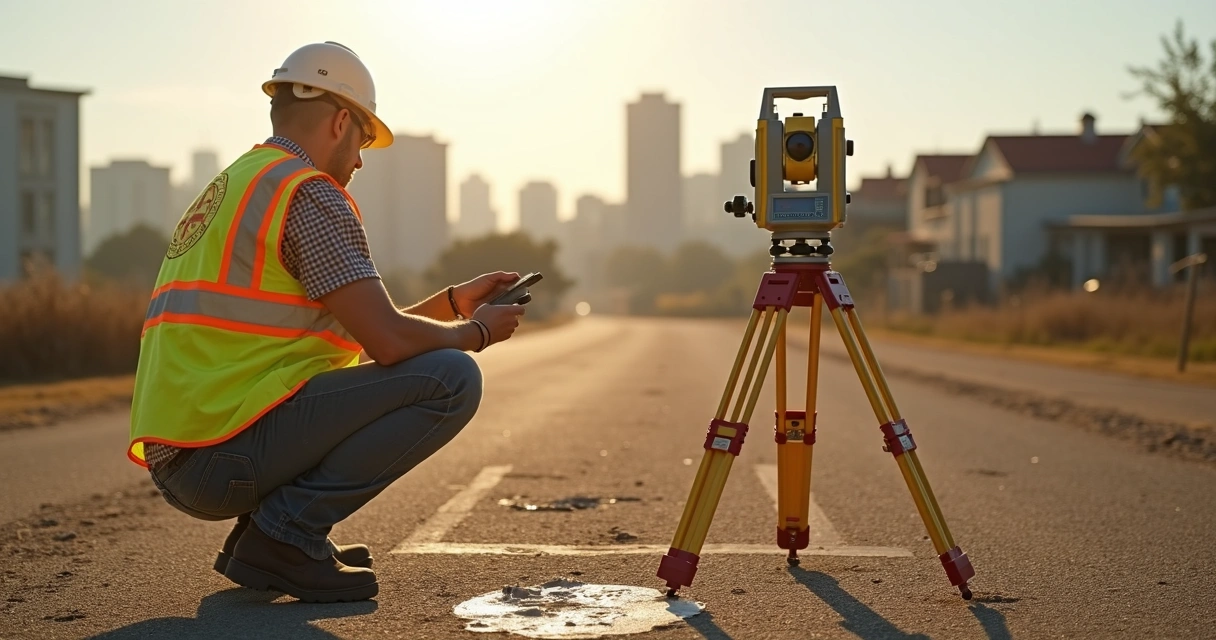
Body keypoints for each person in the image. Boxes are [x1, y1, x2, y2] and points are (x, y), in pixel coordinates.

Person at [127, 41, 525, 604]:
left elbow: (364, 331)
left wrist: (454, 303)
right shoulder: (308, 193)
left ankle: (266, 533)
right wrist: (476, 333)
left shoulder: (239, 183)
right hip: (221, 455)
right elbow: (389, 343)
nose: (360, 161)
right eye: (362, 140)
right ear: (341, 122)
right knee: (452, 378)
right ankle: (285, 534)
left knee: (424, 367)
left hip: (193, 448)